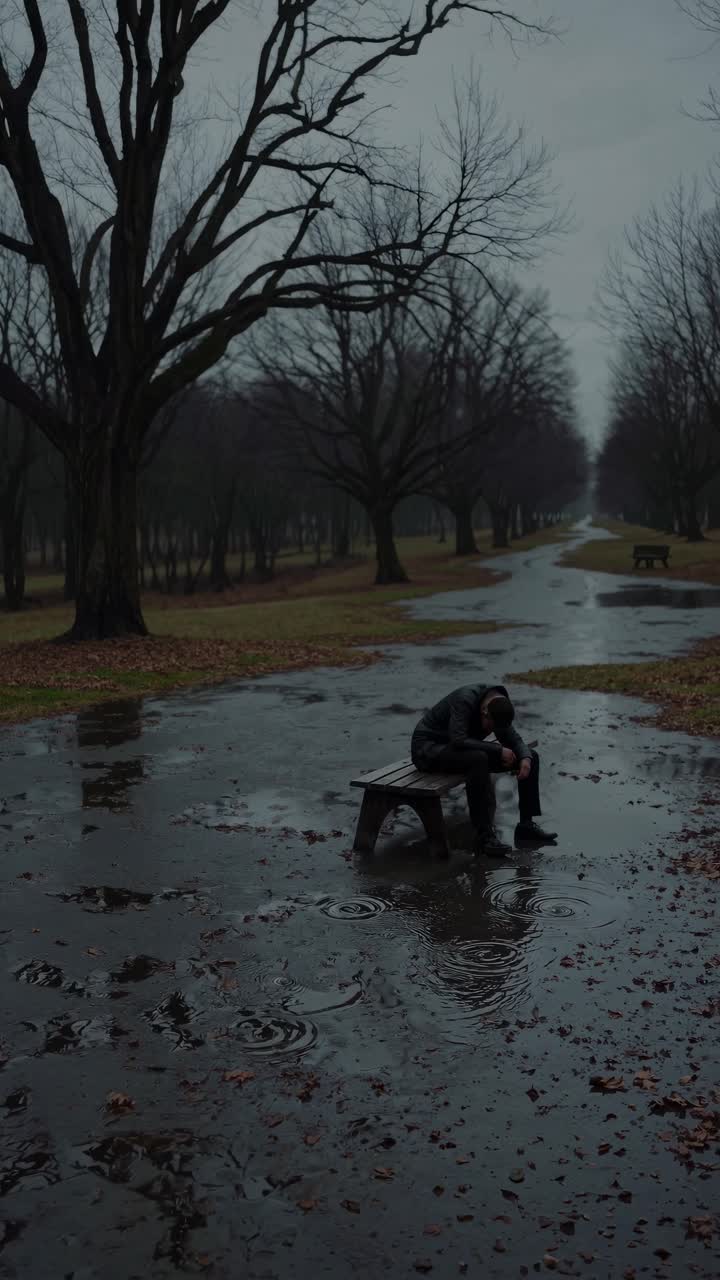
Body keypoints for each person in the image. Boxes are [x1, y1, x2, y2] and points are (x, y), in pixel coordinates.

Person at [411, 683, 556, 856]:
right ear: (484, 711)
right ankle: (484, 837)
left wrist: (525, 758)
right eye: (490, 726)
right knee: (478, 759)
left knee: (532, 756)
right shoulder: (464, 700)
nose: (490, 730)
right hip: (429, 750)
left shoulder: (499, 707)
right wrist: (498, 749)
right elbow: (458, 739)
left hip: (460, 751)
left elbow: (514, 740)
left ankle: (526, 825)